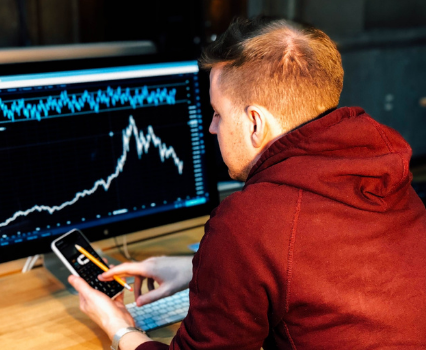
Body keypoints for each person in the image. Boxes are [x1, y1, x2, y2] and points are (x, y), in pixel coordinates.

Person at [68, 16, 426, 350]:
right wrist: (201, 271)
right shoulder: (383, 173)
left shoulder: (251, 220)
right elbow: (319, 276)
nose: (211, 128)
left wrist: (120, 327)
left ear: (255, 123)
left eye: (219, 114)